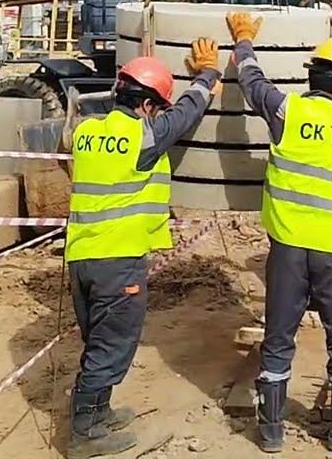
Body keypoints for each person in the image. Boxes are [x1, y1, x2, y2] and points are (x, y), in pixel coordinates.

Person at [65, 44, 221, 459]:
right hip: (119, 260)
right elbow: (184, 117)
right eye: (157, 107)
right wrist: (207, 75)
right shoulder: (142, 136)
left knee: (98, 338)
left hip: (82, 257)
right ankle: (84, 432)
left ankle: (100, 412)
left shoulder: (87, 132)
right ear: (149, 105)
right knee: (112, 344)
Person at [226, 11, 332, 454]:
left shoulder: (288, 111)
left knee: (279, 335)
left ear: (313, 79)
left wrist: (244, 42)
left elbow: (253, 84)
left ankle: (270, 431)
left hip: (288, 248)